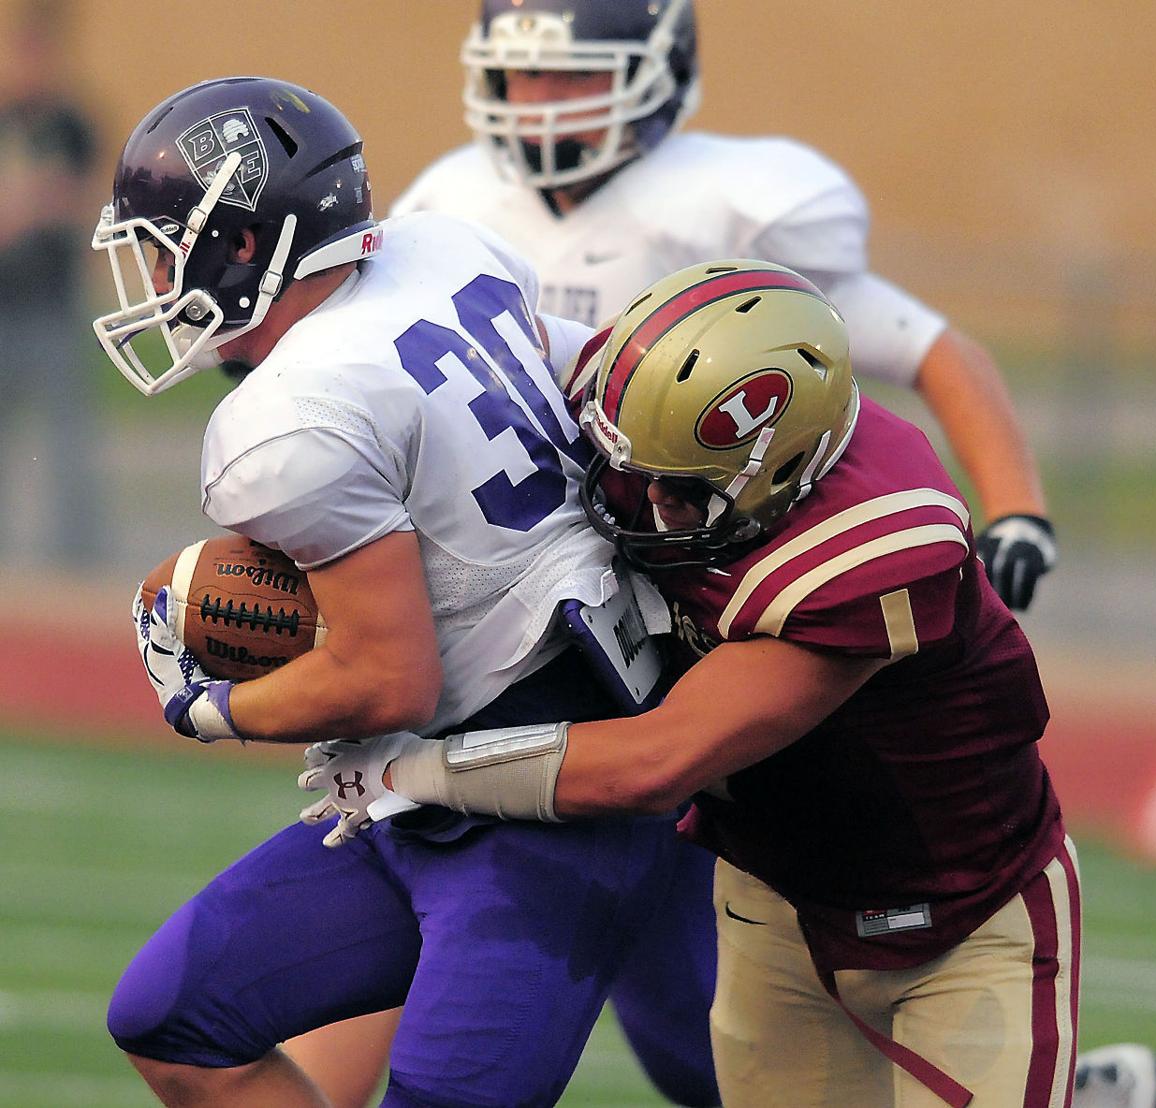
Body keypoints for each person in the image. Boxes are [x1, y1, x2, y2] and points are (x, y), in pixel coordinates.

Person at [318, 260, 1081, 1106]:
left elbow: (657, 761)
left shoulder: (873, 545)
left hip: (965, 910)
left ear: (783, 469)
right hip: (772, 897)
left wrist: (415, 771)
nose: (643, 502)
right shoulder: (644, 419)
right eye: (634, 468)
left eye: (679, 487)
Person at [93, 74, 702, 1108]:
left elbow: (387, 679)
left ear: (245, 245)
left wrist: (210, 706)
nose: (154, 278)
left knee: (721, 1071)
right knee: (170, 1017)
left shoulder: (285, 418)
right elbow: (583, 381)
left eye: (165, 248)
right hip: (436, 777)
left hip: (547, 799)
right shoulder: (442, 248)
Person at [393, 0, 1058, 615]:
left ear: (658, 73)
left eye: (576, 76)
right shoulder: (450, 201)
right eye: (526, 73)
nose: (542, 102)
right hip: (514, 566)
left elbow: (932, 350)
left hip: (696, 556)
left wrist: (1017, 511)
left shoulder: (727, 204)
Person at [0, 0, 103, 566]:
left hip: (55, 302)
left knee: (68, 441)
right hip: (4, 302)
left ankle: (77, 560)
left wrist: (35, 201)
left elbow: (84, 201)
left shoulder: (71, 126)